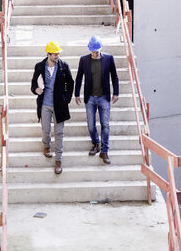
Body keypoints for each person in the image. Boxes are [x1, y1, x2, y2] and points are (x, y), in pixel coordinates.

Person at [31, 41, 74, 174]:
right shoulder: (40, 66)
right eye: (55, 54)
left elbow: (70, 83)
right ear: (48, 54)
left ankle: (58, 159)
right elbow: (33, 83)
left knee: (59, 132)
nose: (57, 56)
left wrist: (66, 98)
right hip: (45, 104)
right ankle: (46, 146)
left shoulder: (64, 66)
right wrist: (36, 89)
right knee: (46, 129)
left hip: (60, 104)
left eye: (58, 54)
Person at [74, 36, 119, 164]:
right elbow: (79, 77)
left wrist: (116, 92)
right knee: (91, 124)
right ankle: (96, 143)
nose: (95, 54)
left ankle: (104, 151)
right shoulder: (84, 60)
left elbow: (114, 76)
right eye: (93, 52)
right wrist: (77, 94)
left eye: (97, 52)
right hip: (90, 98)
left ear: (101, 49)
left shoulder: (109, 59)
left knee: (105, 125)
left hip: (104, 97)